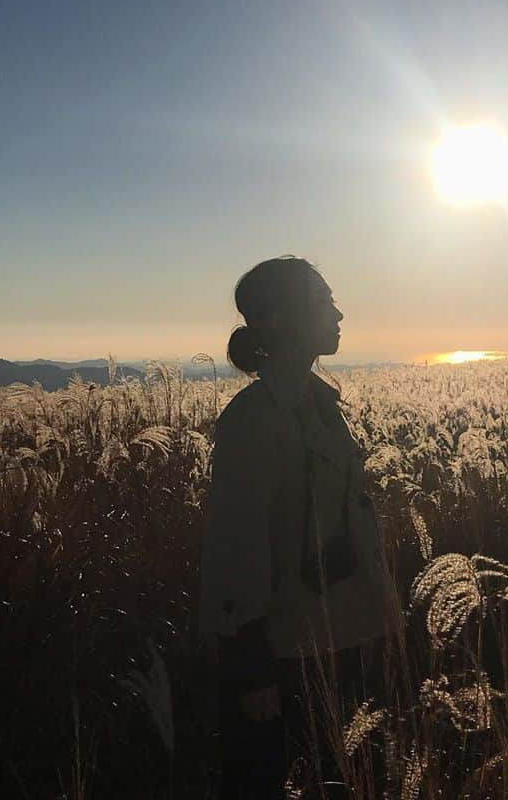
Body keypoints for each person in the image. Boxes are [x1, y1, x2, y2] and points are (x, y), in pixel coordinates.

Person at [198, 256, 394, 798]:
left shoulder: (319, 405)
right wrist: (251, 669)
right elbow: (235, 546)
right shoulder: (253, 420)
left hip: (343, 635)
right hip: (287, 653)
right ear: (281, 319)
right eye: (324, 301)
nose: (339, 313)